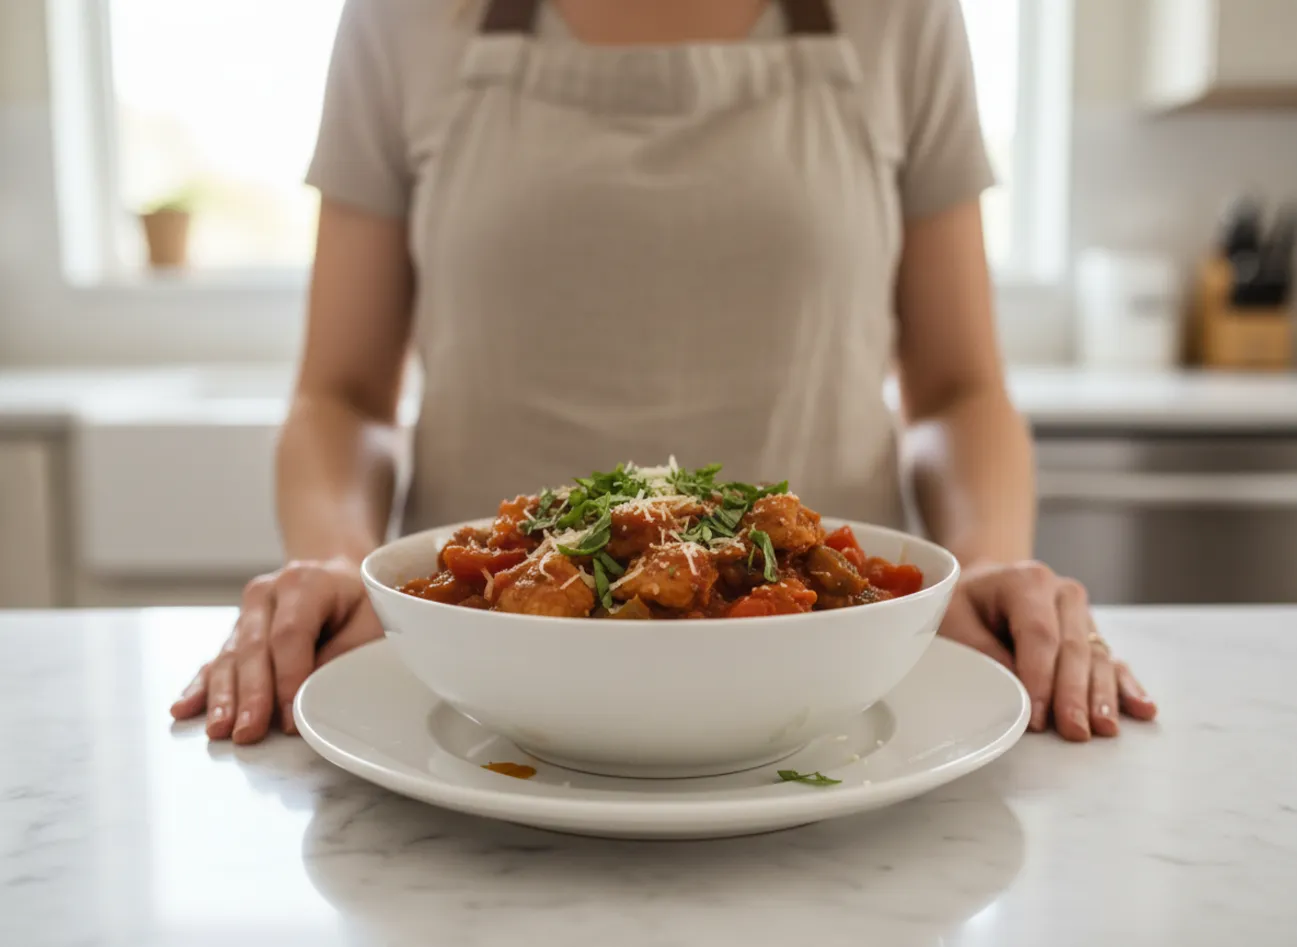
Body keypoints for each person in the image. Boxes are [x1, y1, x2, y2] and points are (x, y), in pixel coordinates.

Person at [171, 0, 1156, 745]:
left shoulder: (898, 14)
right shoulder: (403, 15)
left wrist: (982, 557)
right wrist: (340, 558)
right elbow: (340, 394)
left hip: (832, 693)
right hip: (479, 704)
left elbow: (956, 390)